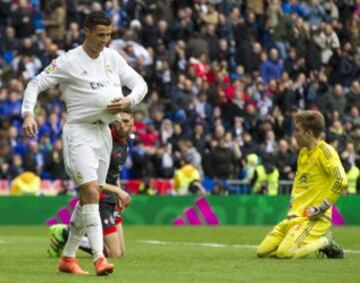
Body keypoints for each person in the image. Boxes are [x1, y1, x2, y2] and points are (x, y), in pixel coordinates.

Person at [21, 11, 147, 275]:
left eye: (109, 35)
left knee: (90, 195)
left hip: (104, 134)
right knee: (91, 191)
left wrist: (129, 101)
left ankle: (67, 258)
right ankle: (99, 258)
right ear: (86, 32)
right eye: (100, 35)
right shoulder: (68, 61)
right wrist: (29, 113)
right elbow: (35, 84)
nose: (105, 40)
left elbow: (139, 83)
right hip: (79, 133)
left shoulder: (112, 57)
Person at [256, 110, 347, 259]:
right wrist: (292, 208)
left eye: (298, 130)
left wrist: (321, 208)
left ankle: (325, 241)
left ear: (309, 133)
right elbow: (298, 184)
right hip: (295, 217)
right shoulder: (303, 153)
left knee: (284, 253)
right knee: (262, 252)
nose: (294, 134)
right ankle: (297, 241)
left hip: (314, 218)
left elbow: (341, 180)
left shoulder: (326, 152)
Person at [48, 110, 133, 259]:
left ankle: (73, 235)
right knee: (113, 253)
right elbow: (94, 181)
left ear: (133, 122)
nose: (121, 125)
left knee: (120, 253)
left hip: (112, 199)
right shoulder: (105, 140)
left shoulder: (126, 142)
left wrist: (118, 192)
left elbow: (115, 173)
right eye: (119, 120)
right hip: (99, 198)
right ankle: (65, 233)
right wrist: (118, 191)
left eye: (126, 121)